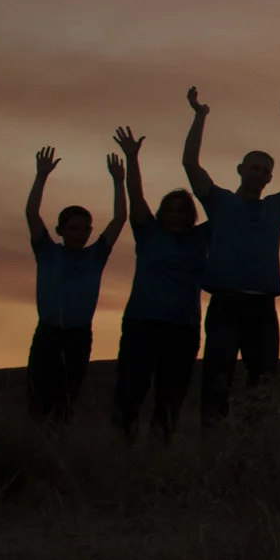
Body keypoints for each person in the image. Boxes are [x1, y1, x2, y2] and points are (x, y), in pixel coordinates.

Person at [183, 88, 280, 421]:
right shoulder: (219, 202)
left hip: (262, 307)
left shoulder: (276, 207)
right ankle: (213, 443)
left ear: (270, 178)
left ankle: (254, 446)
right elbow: (190, 163)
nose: (259, 174)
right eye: (254, 167)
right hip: (226, 303)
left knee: (262, 383)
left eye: (265, 171)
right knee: (217, 380)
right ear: (240, 169)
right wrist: (199, 116)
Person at [110, 126, 209, 437]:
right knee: (130, 392)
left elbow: (222, 210)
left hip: (183, 326)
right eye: (171, 209)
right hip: (143, 323)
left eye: (183, 210)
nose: (176, 215)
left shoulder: (200, 237)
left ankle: (159, 456)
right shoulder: (148, 232)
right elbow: (136, 197)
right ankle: (119, 450)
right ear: (162, 211)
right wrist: (132, 158)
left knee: (170, 398)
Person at [22, 145, 125, 420]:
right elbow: (32, 214)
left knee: (65, 401)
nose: (80, 234)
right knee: (37, 401)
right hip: (48, 334)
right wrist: (41, 176)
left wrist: (119, 182)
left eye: (85, 228)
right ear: (61, 230)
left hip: (78, 337)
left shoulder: (95, 255)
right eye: (74, 228)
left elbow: (119, 219)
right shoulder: (47, 252)